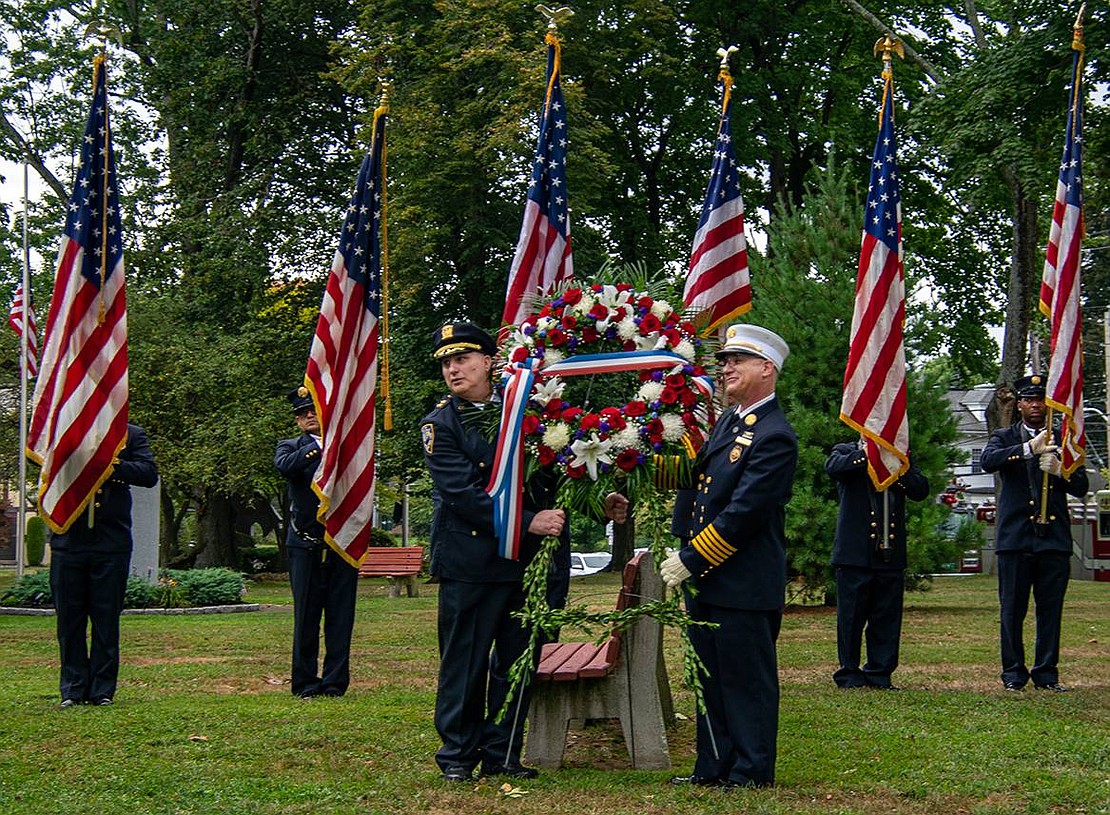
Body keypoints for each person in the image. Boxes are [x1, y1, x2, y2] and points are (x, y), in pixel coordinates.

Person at [421, 321, 627, 783]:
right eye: (447, 363)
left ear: (489, 362)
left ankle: (504, 752)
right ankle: (458, 755)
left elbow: (561, 477)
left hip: (532, 564)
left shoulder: (535, 411)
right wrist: (526, 521)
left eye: (463, 359)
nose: (454, 369)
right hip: (473, 565)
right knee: (466, 663)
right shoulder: (441, 424)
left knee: (520, 662)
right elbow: (462, 494)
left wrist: (598, 503)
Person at [661, 323, 797, 788]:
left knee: (745, 681)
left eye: (737, 360)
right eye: (725, 360)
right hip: (709, 578)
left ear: (767, 368)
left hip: (742, 580)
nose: (727, 367)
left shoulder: (775, 435)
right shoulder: (729, 422)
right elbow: (696, 484)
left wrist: (692, 558)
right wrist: (681, 537)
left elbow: (745, 513)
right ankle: (713, 765)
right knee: (710, 678)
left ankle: (751, 770)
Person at [979, 374, 1087, 692]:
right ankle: (1013, 673)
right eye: (1029, 400)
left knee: (1050, 611)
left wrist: (1062, 470)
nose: (1035, 405)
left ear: (1048, 403)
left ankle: (1046, 673)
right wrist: (1027, 448)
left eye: (1040, 400)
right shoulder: (1005, 436)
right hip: (1016, 538)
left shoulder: (1064, 440)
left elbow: (1080, 487)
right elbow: (987, 461)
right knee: (1012, 609)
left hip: (1053, 538)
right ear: (1020, 405)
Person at [50, 423, 159, 707]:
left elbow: (148, 474)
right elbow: (40, 462)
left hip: (111, 541)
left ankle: (102, 689)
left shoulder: (130, 434)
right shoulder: (63, 428)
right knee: (69, 620)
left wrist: (109, 464)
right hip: (69, 539)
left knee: (106, 618)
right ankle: (72, 689)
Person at [274, 387, 359, 698]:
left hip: (341, 543)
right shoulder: (290, 447)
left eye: (313, 410)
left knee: (340, 616)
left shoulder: (348, 446)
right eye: (302, 414)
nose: (308, 416)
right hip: (305, 543)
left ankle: (335, 682)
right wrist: (320, 448)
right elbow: (286, 467)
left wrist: (336, 444)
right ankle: (305, 682)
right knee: (306, 617)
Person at [825, 442, 929, 689]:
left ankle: (880, 672)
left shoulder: (900, 454)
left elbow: (920, 490)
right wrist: (869, 454)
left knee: (886, 617)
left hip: (889, 555)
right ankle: (848, 671)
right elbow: (833, 467)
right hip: (854, 554)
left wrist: (899, 464)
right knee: (851, 618)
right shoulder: (846, 451)